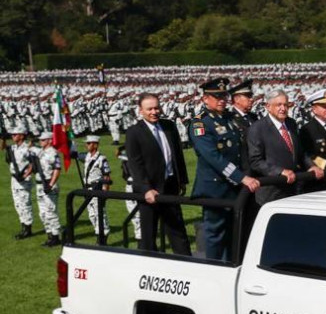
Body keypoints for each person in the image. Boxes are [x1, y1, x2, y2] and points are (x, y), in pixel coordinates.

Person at [189, 78, 261, 261]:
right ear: (205, 99)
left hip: (233, 188)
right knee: (215, 235)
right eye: (216, 97)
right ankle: (215, 272)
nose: (221, 100)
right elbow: (213, 157)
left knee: (233, 233)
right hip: (215, 188)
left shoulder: (229, 119)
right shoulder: (200, 123)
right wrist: (241, 177)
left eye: (223, 96)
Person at [125, 92, 191, 255]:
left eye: (156, 108)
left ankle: (187, 266)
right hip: (150, 190)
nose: (154, 112)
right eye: (149, 109)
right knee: (149, 235)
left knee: (178, 232)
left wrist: (181, 180)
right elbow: (135, 164)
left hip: (169, 185)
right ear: (140, 110)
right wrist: (146, 188)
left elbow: (177, 155)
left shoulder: (169, 126)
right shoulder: (134, 132)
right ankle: (148, 268)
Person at [247, 88, 323, 205]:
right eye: (278, 105)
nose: (283, 108)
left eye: (286, 105)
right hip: (272, 190)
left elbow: (300, 153)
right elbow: (256, 161)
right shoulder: (258, 128)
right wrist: (280, 171)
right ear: (268, 106)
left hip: (294, 187)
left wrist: (311, 166)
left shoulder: (291, 123)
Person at [33, 131, 63, 247]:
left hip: (49, 186)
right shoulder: (41, 152)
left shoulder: (53, 153)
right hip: (39, 185)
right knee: (42, 213)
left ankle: (55, 237)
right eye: (40, 140)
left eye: (43, 140)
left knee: (51, 212)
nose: (40, 142)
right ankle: (50, 235)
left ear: (50, 140)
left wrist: (51, 184)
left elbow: (57, 169)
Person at [82, 135, 113, 240]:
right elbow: (75, 155)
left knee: (100, 214)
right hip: (88, 189)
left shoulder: (101, 159)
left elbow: (107, 176)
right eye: (87, 143)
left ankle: (103, 236)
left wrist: (105, 192)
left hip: (97, 189)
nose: (86, 145)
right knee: (91, 214)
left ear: (95, 145)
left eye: (89, 143)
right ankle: (98, 232)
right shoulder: (87, 156)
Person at [6, 125, 35, 240]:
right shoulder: (14, 148)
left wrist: (26, 174)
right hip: (14, 179)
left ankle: (27, 229)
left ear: (22, 136)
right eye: (12, 135)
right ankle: (23, 225)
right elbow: (2, 148)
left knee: (24, 204)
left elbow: (33, 163)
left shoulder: (27, 148)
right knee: (18, 204)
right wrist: (2, 139)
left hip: (23, 180)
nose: (12, 136)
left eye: (15, 134)